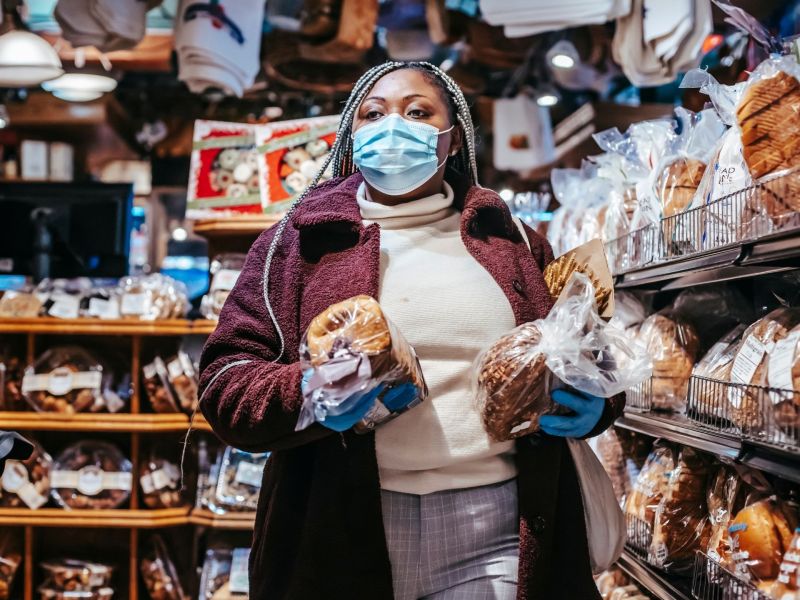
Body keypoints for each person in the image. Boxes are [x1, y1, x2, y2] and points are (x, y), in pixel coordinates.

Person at [199, 61, 624, 600]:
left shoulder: (511, 239)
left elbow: (586, 350)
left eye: (418, 112)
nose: (393, 126)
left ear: (451, 140)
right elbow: (224, 377)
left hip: (496, 527)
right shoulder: (297, 243)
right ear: (352, 136)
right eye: (373, 114)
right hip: (337, 532)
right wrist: (308, 392)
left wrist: (597, 402)